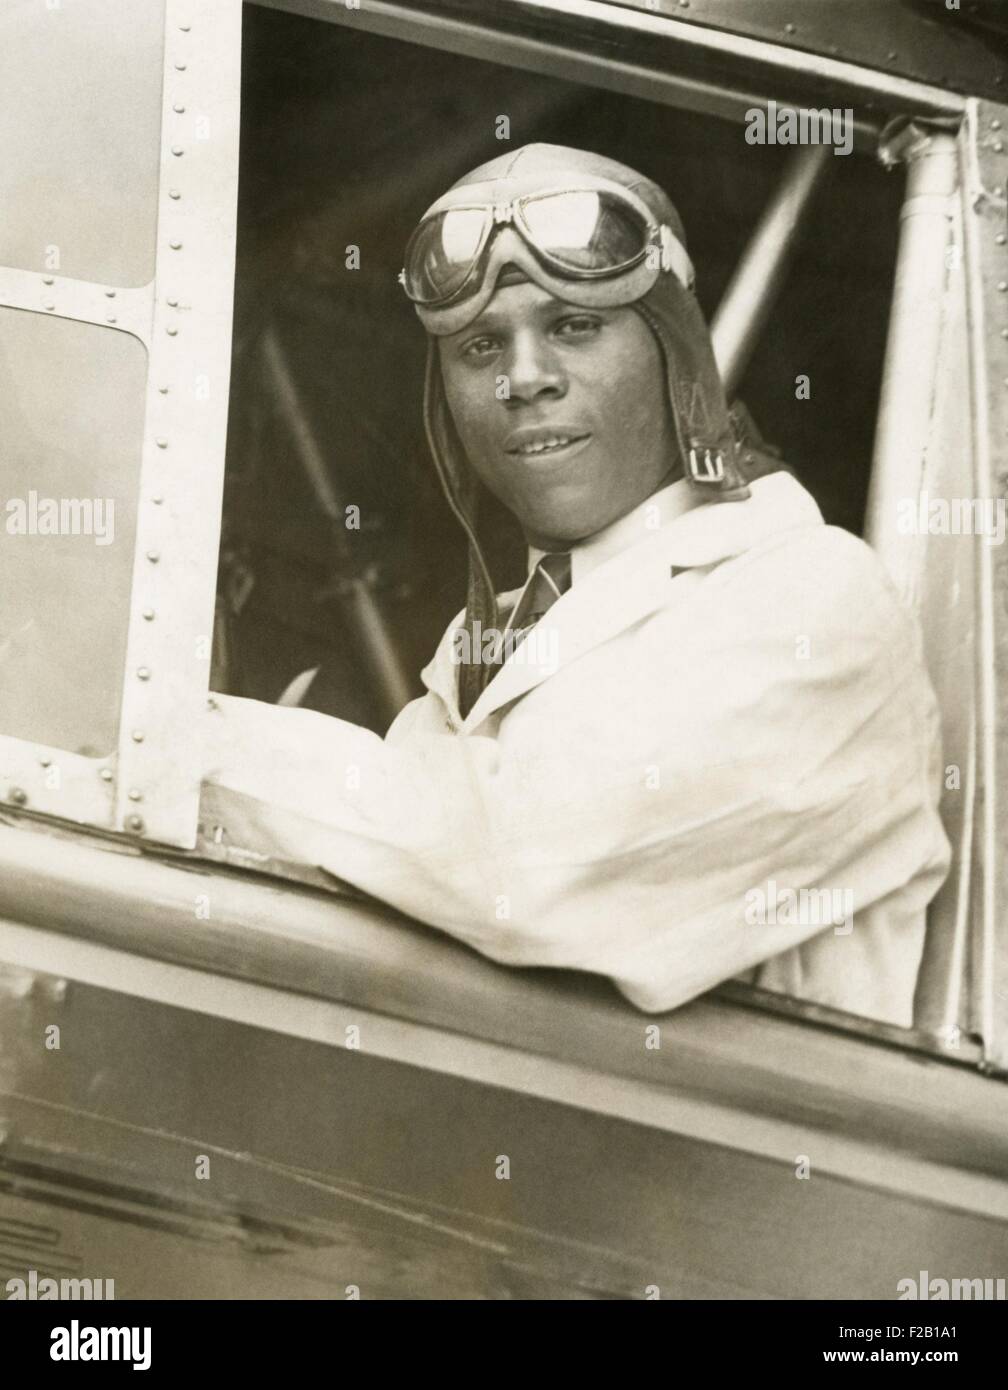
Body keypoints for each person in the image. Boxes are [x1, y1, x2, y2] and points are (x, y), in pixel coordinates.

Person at [202, 143, 950, 1027]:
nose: (524, 378)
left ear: (675, 353)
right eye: (481, 345)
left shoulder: (815, 599)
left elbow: (521, 867)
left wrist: (177, 741)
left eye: (574, 326)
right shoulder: (486, 650)